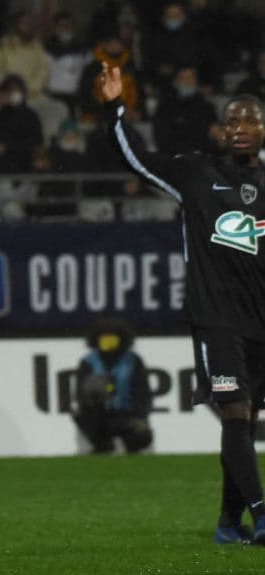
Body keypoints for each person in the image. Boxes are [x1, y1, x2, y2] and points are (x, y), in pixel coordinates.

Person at [100, 63, 265, 545]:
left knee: (246, 418)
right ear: (219, 130)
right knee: (235, 411)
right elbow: (134, 157)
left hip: (260, 320)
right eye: (232, 121)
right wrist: (115, 107)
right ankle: (260, 510)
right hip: (215, 316)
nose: (240, 129)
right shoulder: (196, 172)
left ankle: (227, 522)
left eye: (250, 120)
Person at [72, 317, 153, 454]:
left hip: (127, 415)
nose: (109, 345)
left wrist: (139, 416)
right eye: (105, 340)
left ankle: (132, 447)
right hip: (98, 415)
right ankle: (102, 445)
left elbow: (143, 393)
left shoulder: (133, 361)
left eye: (112, 340)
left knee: (141, 434)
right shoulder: (88, 362)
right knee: (85, 417)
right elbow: (80, 394)